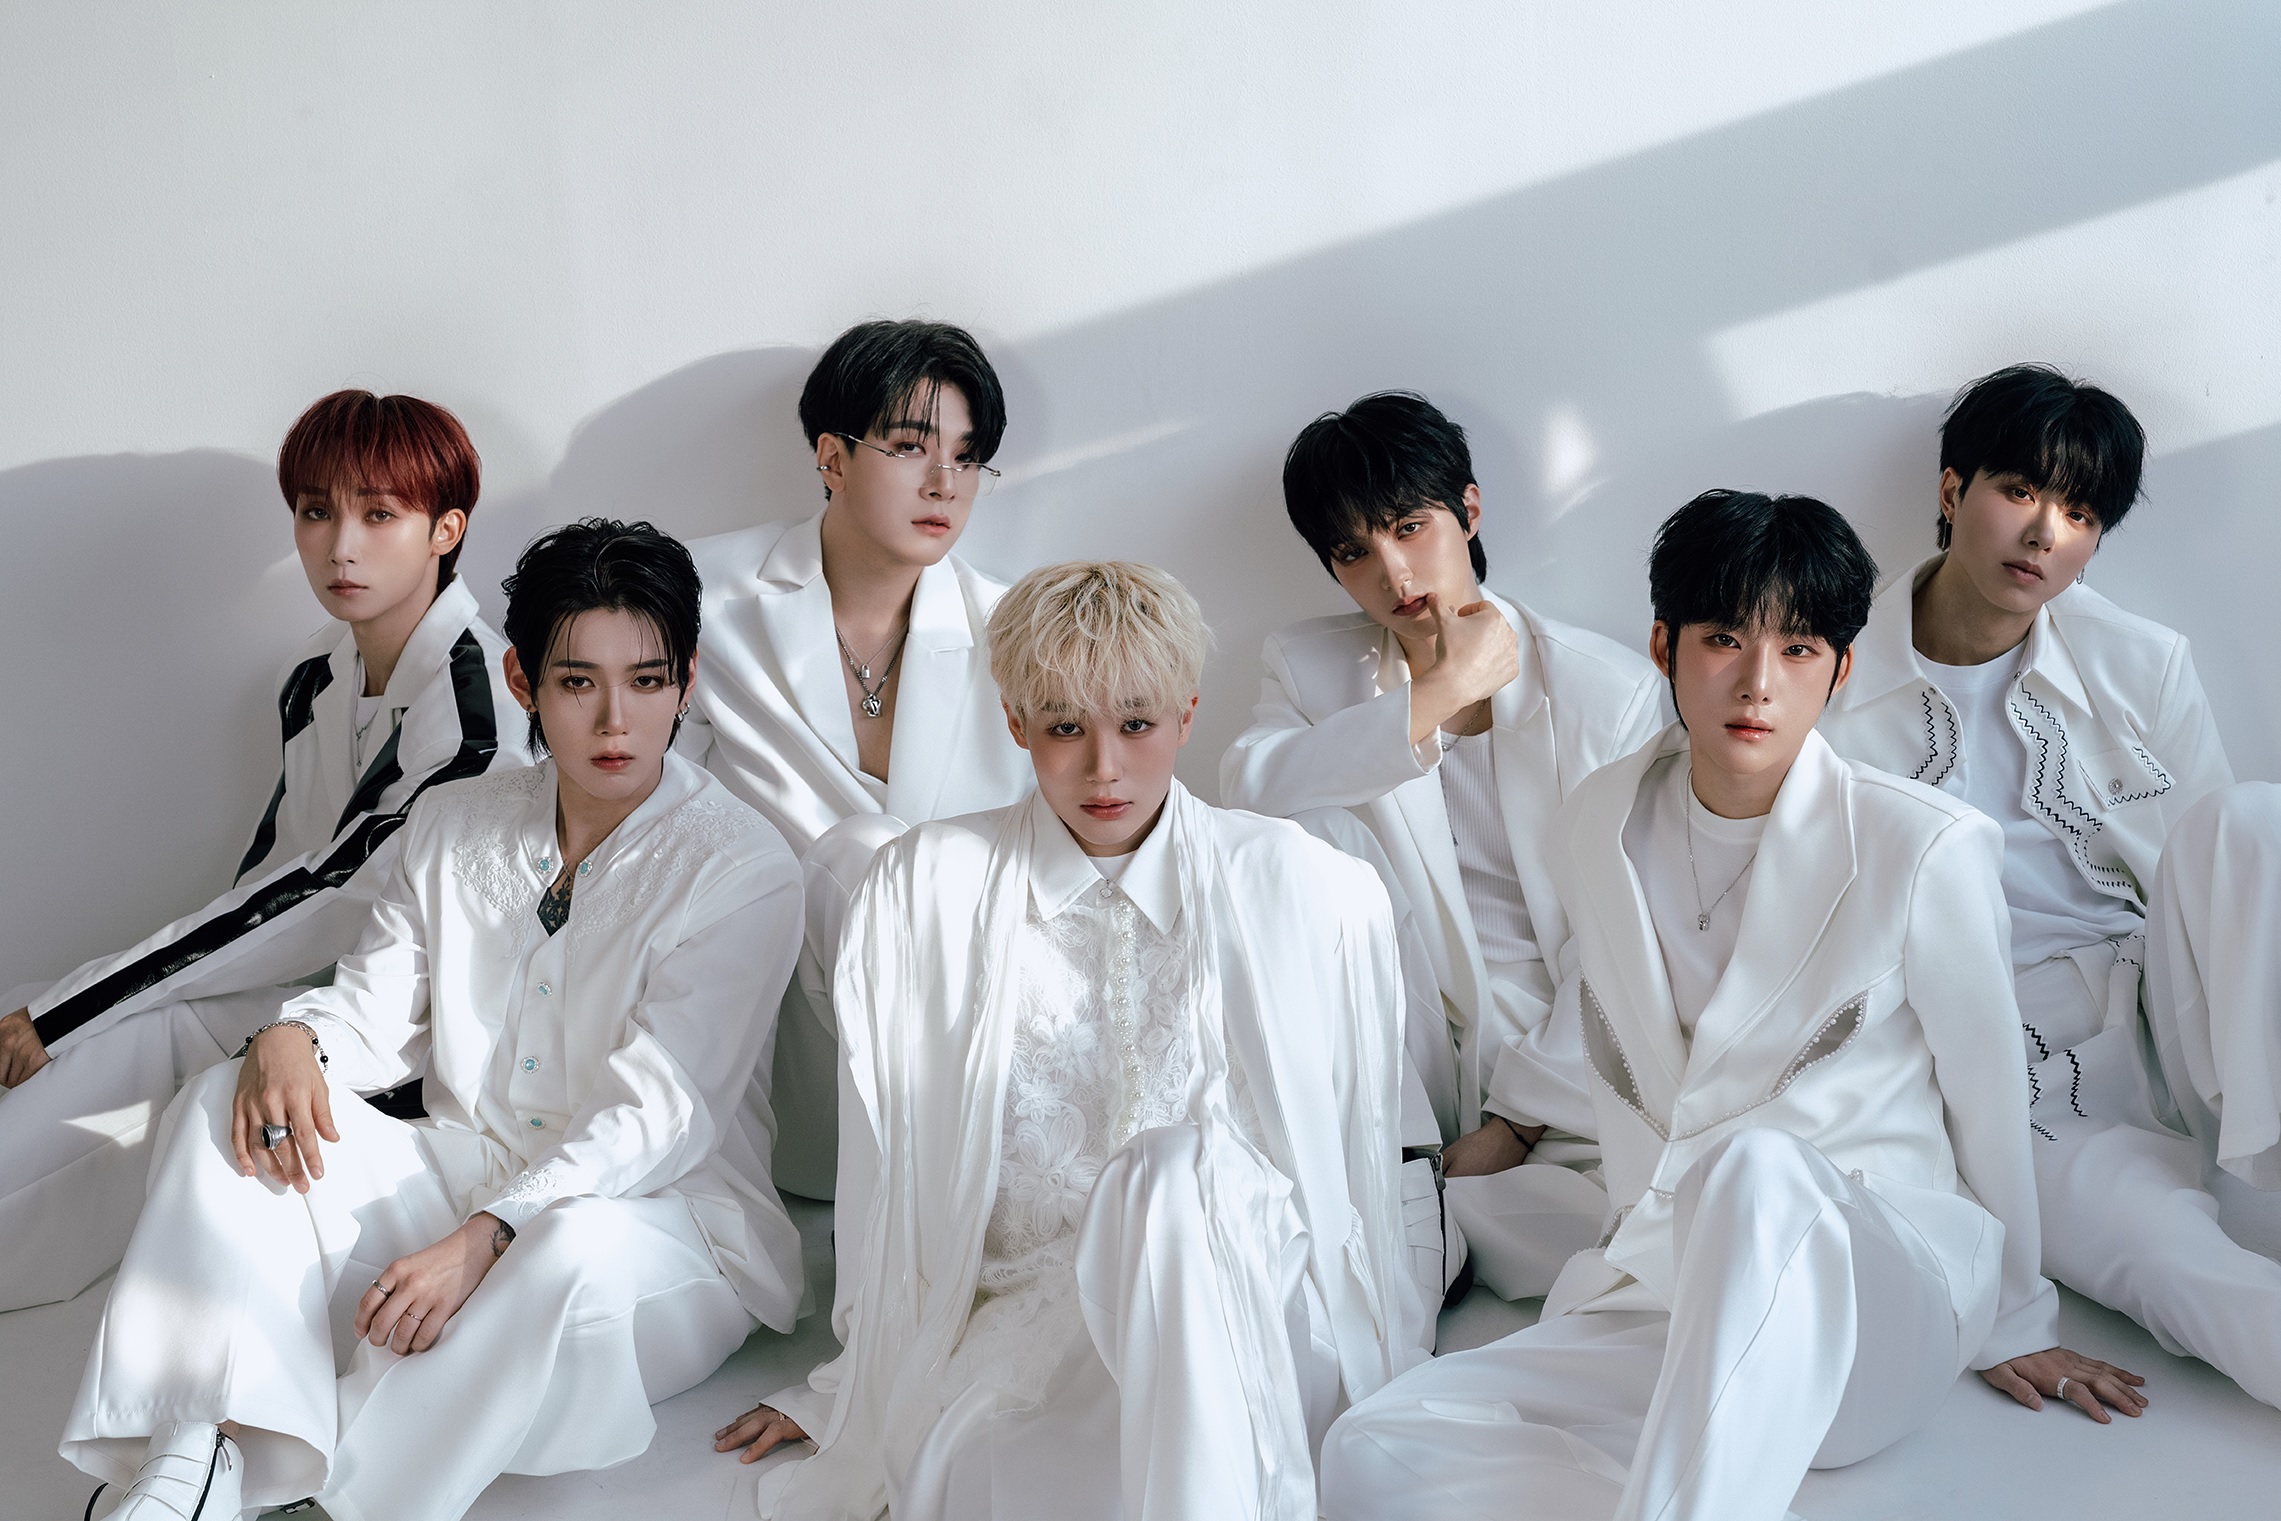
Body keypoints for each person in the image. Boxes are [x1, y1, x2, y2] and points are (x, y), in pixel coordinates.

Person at [1321, 490, 2141, 1521]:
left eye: (1797, 650)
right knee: (1370, 1447)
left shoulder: (1920, 846)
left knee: (1755, 1168)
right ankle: (1690, 1486)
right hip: (1669, 1290)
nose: (1757, 683)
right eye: (1722, 640)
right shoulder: (1598, 821)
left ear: (1840, 670)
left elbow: (1987, 1094)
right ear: (1663, 647)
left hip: (1873, 1303)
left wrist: (2016, 1317)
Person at [60, 519, 803, 1521]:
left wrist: (492, 1234)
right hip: (461, 1166)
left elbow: (657, 1115)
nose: (616, 720)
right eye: (577, 682)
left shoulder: (742, 866)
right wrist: (293, 1036)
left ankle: (327, 1495)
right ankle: (195, 1455)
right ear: (523, 679)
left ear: (687, 681)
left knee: (567, 1249)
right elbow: (373, 1015)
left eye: (647, 681)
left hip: (664, 1224)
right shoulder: (456, 823)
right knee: (221, 1104)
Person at [718, 562, 1414, 1521]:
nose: (1103, 769)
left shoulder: (1300, 885)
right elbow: (887, 1187)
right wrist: (850, 1388)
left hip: (1248, 1318)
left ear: (1186, 715)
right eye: (1063, 729)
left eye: (1136, 724)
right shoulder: (928, 890)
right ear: (1015, 723)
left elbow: (1349, 1187)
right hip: (1030, 1341)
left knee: (1176, 1177)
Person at [0, 390, 529, 1312]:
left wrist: (63, 1013)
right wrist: (72, 1012)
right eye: (317, 511)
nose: (341, 546)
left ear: (445, 530)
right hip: (309, 994)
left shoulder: (478, 708)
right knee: (122, 1026)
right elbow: (272, 879)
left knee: (126, 1031)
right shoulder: (316, 676)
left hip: (417, 1035)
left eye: (379, 514)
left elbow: (326, 894)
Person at [1819, 363, 2281, 1407]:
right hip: (2006, 1067)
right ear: (1952, 491)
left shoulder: (2140, 660)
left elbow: (2220, 887)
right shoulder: (1829, 683)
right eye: (2018, 491)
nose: (2042, 534)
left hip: (2166, 1001)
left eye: (2078, 514)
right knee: (2169, 1264)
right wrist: (1981, 1301)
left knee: (2249, 823)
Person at [1221, 391, 1665, 1310]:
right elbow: (1246, 791)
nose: (1390, 571)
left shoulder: (1602, 691)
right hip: (1392, 1041)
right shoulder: (1308, 667)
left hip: (1553, 1046)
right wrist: (1442, 689)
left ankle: (1425, 1225)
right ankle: (1405, 1198)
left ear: (1468, 509)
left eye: (1407, 527)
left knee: (1627, 1240)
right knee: (1308, 835)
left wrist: (1515, 1121)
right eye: (1352, 552)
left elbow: (1623, 936)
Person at [679, 319, 1030, 1201]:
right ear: (831, 458)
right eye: (910, 447)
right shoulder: (703, 599)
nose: (945, 483)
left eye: (968, 457)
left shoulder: (1015, 632)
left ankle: (959, 1188)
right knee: (866, 852)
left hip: (973, 1031)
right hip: (771, 1031)